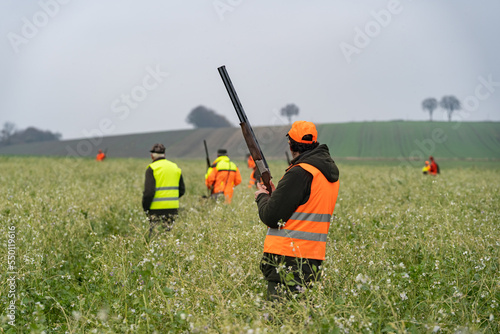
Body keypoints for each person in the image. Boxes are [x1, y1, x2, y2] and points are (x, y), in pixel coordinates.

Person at [254, 120, 340, 301]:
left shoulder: (300, 172)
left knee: (279, 322)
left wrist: (262, 197)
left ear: (291, 144)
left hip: (287, 260)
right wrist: (278, 195)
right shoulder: (326, 173)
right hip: (312, 260)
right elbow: (305, 206)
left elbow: (271, 216)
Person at [142, 143, 185, 236]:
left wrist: (145, 207)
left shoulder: (152, 168)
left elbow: (149, 193)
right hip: (172, 209)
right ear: (164, 154)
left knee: (155, 237)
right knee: (169, 237)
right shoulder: (175, 167)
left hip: (155, 210)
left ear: (152, 156)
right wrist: (171, 198)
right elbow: (182, 190)